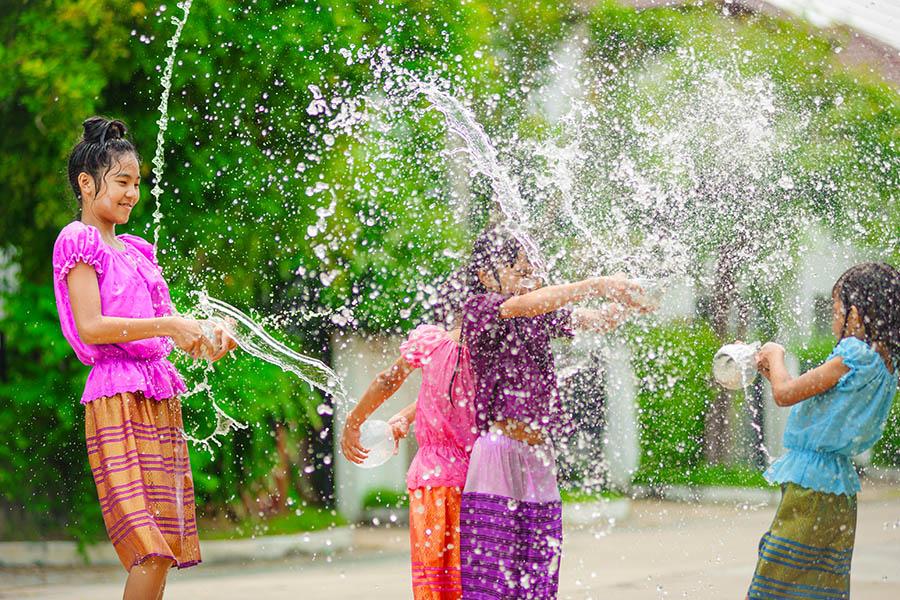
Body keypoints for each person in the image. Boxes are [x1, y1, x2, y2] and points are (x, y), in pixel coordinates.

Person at [52, 116, 236, 599]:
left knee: (164, 546)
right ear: (86, 184)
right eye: (123, 182)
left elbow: (175, 334)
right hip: (117, 397)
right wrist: (171, 326)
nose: (133, 193)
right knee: (146, 544)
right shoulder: (79, 240)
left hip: (157, 396)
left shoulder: (135, 251)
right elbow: (91, 326)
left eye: (137, 183)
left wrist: (210, 339)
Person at [458, 226, 652, 599]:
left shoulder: (536, 313)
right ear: (485, 275)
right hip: (500, 451)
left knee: (539, 572)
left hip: (537, 455)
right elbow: (523, 305)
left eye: (529, 268)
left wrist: (629, 303)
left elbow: (594, 320)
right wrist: (596, 283)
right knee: (492, 574)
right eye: (516, 268)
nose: (527, 276)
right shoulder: (481, 308)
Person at [747, 262, 900, 600]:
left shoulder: (853, 353)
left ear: (856, 315)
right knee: (819, 585)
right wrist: (772, 371)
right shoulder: (887, 362)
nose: (833, 320)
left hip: (812, 487)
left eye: (835, 310)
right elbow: (810, 394)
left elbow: (784, 394)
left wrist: (775, 355)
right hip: (839, 489)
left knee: (775, 580)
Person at [341, 297, 476, 599]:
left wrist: (353, 421)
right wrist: (402, 417)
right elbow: (443, 395)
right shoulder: (489, 349)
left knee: (436, 582)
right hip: (481, 478)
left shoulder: (433, 342)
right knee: (472, 579)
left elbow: (389, 380)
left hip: (437, 483)